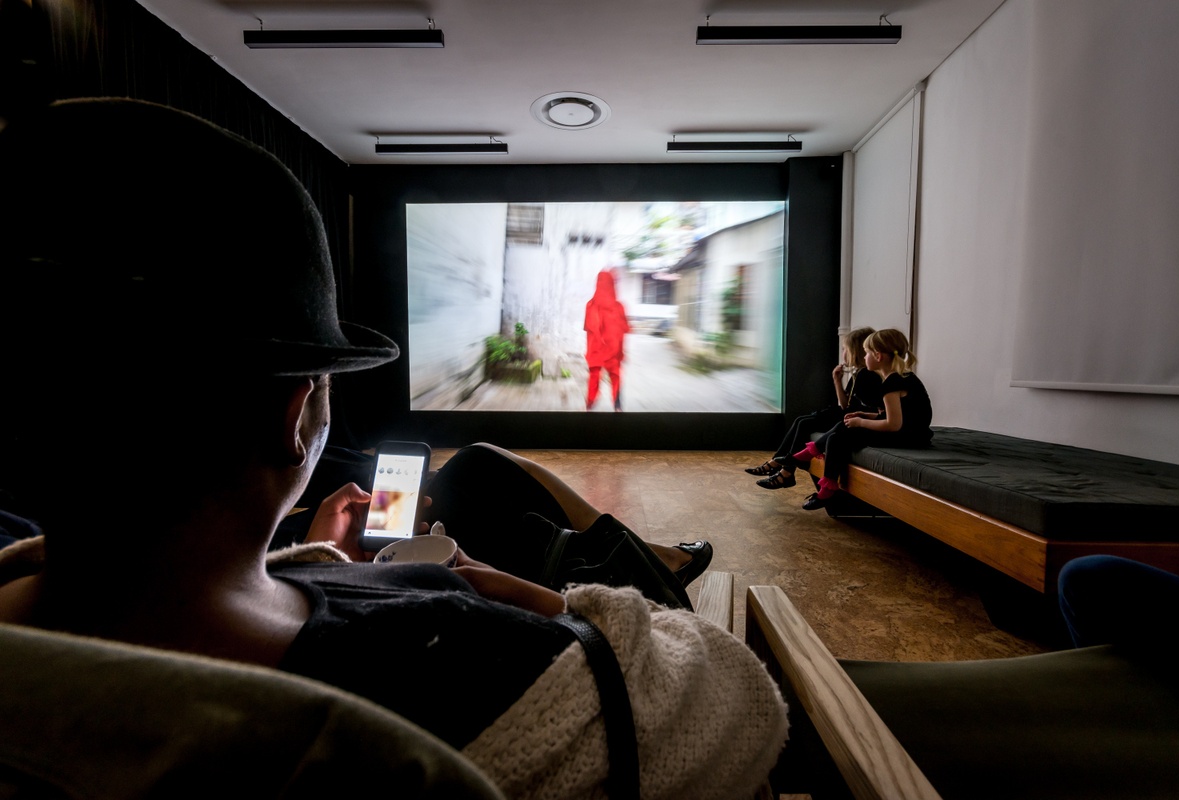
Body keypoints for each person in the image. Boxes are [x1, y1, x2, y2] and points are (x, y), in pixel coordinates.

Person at [0, 98, 787, 799]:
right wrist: (552, 607)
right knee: (511, 503)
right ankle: (646, 561)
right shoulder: (454, 658)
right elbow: (741, 708)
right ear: (297, 414)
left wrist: (314, 564)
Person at [793, 328, 933, 509]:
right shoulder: (902, 377)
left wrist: (860, 422)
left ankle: (817, 470)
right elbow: (899, 415)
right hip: (913, 433)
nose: (864, 357)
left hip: (908, 437)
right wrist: (865, 415)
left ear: (878, 356)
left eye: (867, 353)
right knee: (842, 427)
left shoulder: (891, 383)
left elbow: (893, 424)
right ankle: (819, 473)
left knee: (840, 435)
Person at [749, 326, 882, 490]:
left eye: (845, 349)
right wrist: (837, 380)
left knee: (804, 423)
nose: (843, 353)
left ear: (856, 351)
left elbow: (850, 408)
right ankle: (780, 465)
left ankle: (783, 469)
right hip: (847, 415)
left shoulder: (867, 376)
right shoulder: (858, 374)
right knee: (801, 420)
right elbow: (845, 404)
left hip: (850, 418)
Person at [583, 268, 630, 411]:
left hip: (596, 349)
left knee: (594, 376)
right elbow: (623, 330)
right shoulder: (619, 307)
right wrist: (621, 351)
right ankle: (617, 406)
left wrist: (590, 350)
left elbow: (588, 330)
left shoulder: (590, 306)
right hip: (612, 350)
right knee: (615, 376)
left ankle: (590, 404)